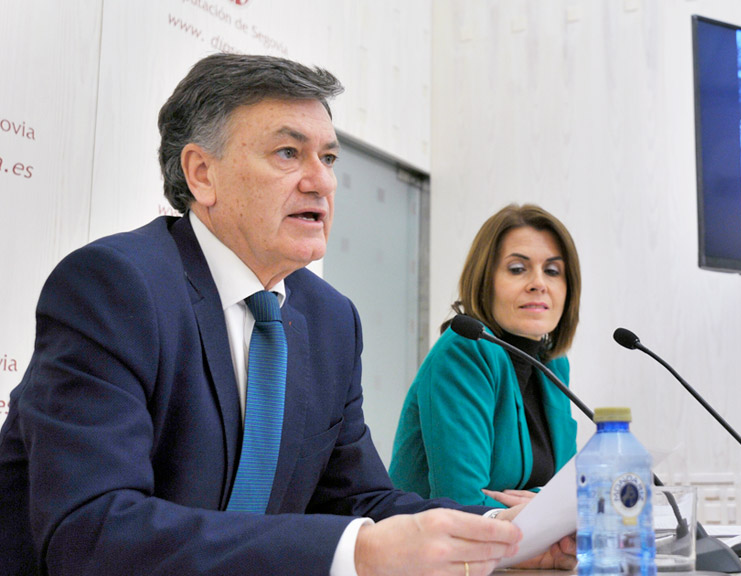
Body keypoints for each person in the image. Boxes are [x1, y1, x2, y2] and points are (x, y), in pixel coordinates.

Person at [0, 54, 574, 576]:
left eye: (327, 157)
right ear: (201, 174)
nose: (322, 180)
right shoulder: (114, 288)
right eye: (287, 153)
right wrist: (357, 552)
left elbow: (360, 500)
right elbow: (93, 531)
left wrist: (502, 538)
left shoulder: (330, 320)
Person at [390, 204, 581, 508]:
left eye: (553, 271)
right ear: (485, 280)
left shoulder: (553, 363)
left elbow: (571, 490)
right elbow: (462, 504)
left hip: (520, 551)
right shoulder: (465, 351)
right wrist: (550, 504)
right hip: (430, 551)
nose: (539, 284)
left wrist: (541, 502)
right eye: (517, 269)